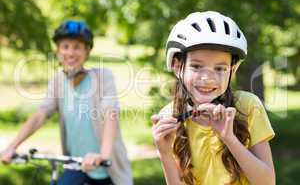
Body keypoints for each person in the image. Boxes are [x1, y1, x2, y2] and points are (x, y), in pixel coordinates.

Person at [0, 20, 133, 185]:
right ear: (57, 51)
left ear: (87, 51)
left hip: (107, 168)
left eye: (77, 47)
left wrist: (103, 156)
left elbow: (110, 115)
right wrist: (12, 146)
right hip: (76, 166)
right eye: (65, 46)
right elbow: (40, 115)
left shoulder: (103, 77)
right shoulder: (57, 82)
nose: (71, 53)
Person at [151, 11, 275, 185]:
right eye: (196, 66)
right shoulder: (170, 117)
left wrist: (229, 139)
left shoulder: (247, 106)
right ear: (177, 66)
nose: (208, 78)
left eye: (220, 69)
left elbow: (267, 182)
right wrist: (164, 154)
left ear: (232, 70)